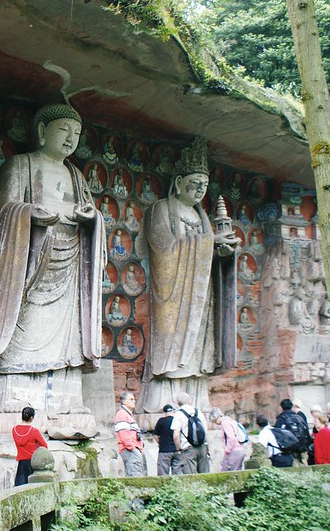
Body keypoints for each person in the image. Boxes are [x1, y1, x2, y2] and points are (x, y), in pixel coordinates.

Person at [0, 103, 106, 430]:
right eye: (64, 130)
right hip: (31, 261)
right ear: (43, 131)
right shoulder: (21, 165)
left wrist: (93, 219)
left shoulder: (77, 175)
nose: (71, 139)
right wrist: (28, 214)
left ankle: (64, 402)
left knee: (67, 335)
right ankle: (12, 401)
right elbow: (4, 213)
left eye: (76, 133)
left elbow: (90, 211)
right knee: (25, 322)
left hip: (70, 260)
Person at [138, 138, 239, 414]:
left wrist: (223, 251)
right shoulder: (162, 209)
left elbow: (209, 251)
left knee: (199, 346)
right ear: (179, 181)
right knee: (173, 343)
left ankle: (198, 400)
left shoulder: (203, 216)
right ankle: (162, 400)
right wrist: (207, 244)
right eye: (194, 183)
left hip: (201, 292)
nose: (199, 190)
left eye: (204, 186)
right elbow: (163, 250)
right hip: (173, 293)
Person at [171, 391, 209, 474]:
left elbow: (176, 436)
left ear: (177, 403)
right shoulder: (198, 412)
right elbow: (205, 431)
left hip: (188, 448)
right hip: (202, 447)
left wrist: (178, 449)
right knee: (205, 475)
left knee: (190, 477)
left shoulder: (178, 414)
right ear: (189, 401)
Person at [12, 407, 48, 486]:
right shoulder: (34, 431)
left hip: (21, 465)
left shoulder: (14, 430)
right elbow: (44, 446)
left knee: (20, 488)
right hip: (32, 464)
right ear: (31, 418)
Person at [114, 392, 144, 477]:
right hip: (130, 450)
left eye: (134, 399)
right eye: (131, 399)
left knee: (133, 474)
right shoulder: (122, 414)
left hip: (132, 449)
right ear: (124, 402)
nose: (134, 401)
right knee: (135, 476)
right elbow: (124, 435)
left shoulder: (127, 414)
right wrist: (132, 448)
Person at [275, 398, 311, 463]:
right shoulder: (299, 417)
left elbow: (277, 435)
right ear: (291, 406)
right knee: (304, 464)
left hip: (289, 449)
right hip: (302, 446)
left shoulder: (281, 419)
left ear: (281, 407)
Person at [153, 404, 181, 476]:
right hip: (176, 450)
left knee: (163, 475)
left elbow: (156, 436)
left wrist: (161, 443)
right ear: (173, 411)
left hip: (164, 451)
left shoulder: (161, 421)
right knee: (177, 474)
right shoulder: (177, 420)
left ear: (164, 413)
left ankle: (165, 487)